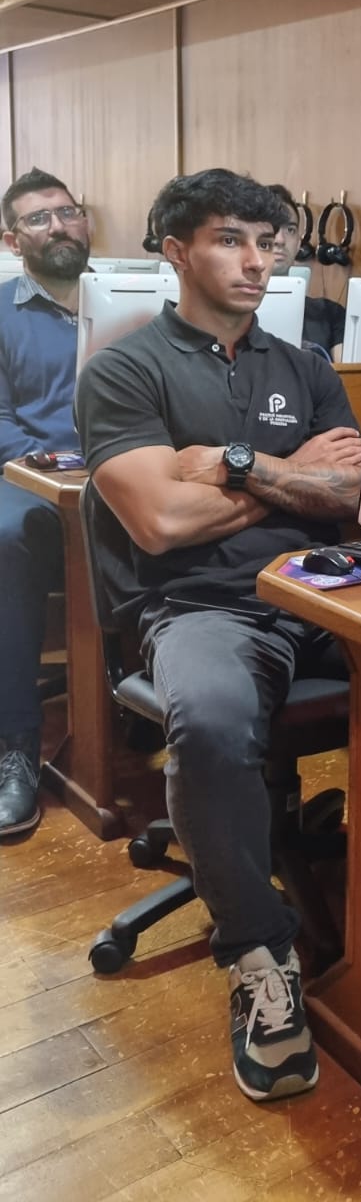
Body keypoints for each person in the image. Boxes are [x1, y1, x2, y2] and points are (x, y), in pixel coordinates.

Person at [75, 169, 361, 1103]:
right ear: (176, 252)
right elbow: (160, 524)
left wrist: (239, 466)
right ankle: (259, 955)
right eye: (231, 239)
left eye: (269, 241)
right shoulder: (125, 371)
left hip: (326, 587)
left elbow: (354, 493)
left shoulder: (306, 367)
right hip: (202, 606)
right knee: (206, 715)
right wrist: (288, 481)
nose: (258, 260)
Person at [0, 167, 93, 837]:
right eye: (39, 218)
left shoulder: (148, 302)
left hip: (135, 474)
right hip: (34, 484)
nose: (59, 226)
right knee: (7, 537)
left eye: (67, 212)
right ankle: (17, 747)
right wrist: (51, 466)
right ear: (12, 239)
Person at [266, 184, 345, 360]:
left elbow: (347, 380)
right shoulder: (224, 314)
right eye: (272, 227)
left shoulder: (331, 314)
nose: (280, 239)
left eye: (290, 230)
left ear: (299, 243)